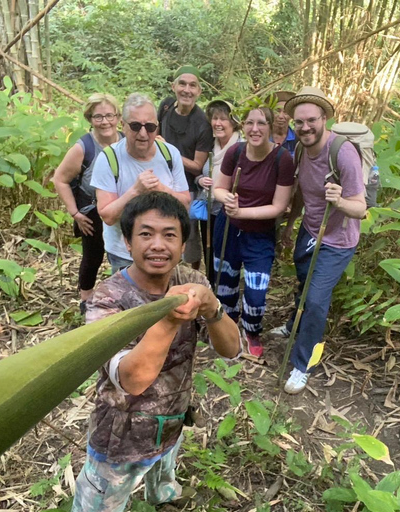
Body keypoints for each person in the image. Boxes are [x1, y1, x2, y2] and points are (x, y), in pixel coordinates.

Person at [72, 192, 241, 512]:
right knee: (97, 504)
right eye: (146, 234)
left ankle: (163, 497)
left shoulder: (190, 280)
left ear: (183, 244)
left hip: (172, 420)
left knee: (164, 473)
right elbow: (132, 380)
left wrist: (212, 307)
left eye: (169, 235)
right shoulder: (109, 299)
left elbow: (231, 350)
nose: (158, 245)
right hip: (121, 437)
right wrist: (169, 319)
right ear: (127, 242)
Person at [275, 87, 367, 394]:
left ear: (324, 119)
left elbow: (361, 208)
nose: (305, 127)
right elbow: (302, 192)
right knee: (304, 284)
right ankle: (294, 325)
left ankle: (304, 364)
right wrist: (291, 224)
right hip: (310, 230)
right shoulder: (301, 149)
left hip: (338, 240)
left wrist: (339, 201)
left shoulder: (342, 152)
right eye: (299, 122)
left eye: (311, 120)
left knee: (315, 300)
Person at [213, 104, 295, 358]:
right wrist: (228, 200)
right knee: (225, 282)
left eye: (261, 123)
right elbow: (219, 188)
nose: (255, 129)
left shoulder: (282, 158)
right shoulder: (235, 151)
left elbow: (278, 206)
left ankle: (251, 330)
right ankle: (227, 328)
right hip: (228, 227)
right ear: (243, 126)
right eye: (250, 123)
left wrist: (242, 212)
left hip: (259, 233)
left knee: (256, 291)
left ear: (270, 127)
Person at [92, 93, 191, 273]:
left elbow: (185, 205)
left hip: (165, 251)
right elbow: (107, 216)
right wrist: (136, 191)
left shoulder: (170, 154)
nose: (143, 134)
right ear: (123, 125)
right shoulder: (108, 158)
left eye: (150, 127)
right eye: (136, 126)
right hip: (124, 253)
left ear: (157, 127)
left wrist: (160, 189)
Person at [52, 93, 123, 313]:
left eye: (110, 115)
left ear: (118, 117)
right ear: (90, 119)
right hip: (92, 210)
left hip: (122, 206)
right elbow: (60, 179)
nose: (105, 122)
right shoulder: (84, 147)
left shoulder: (126, 141)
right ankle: (86, 301)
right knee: (93, 255)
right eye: (98, 117)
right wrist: (75, 213)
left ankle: (124, 297)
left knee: (124, 253)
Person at [157, 65, 214, 271]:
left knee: (189, 235)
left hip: (188, 187)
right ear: (173, 86)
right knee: (162, 228)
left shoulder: (203, 123)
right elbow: (155, 133)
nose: (187, 90)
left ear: (199, 91)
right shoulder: (165, 107)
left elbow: (197, 166)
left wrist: (168, 150)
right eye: (182, 84)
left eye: (192, 85)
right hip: (160, 181)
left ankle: (192, 274)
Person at [196, 99, 242, 285]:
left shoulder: (241, 146)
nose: (218, 123)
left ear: (233, 122)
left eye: (223, 119)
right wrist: (200, 180)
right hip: (209, 209)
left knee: (227, 254)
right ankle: (210, 288)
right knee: (209, 252)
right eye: (215, 118)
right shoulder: (210, 145)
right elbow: (200, 172)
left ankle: (226, 290)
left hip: (229, 209)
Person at [271, 90, 297, 157]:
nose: (281, 116)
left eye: (285, 112)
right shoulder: (263, 137)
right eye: (277, 111)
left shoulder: (297, 140)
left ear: (291, 115)